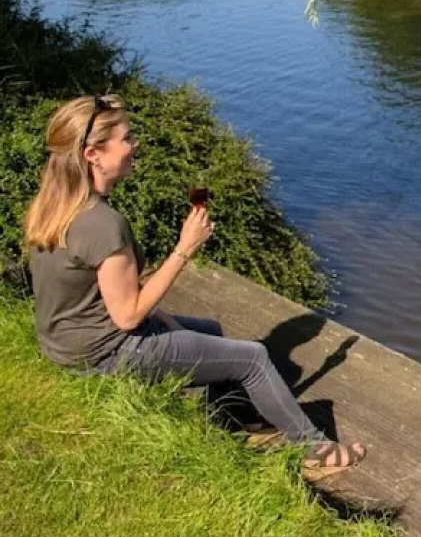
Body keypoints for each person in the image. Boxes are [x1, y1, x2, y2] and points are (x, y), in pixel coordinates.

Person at [24, 95, 365, 479]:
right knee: (253, 358)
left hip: (66, 345)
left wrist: (160, 315)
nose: (136, 145)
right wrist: (185, 248)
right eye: (127, 138)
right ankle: (315, 451)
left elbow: (94, 291)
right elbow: (127, 315)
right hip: (106, 354)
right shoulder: (102, 222)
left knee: (210, 331)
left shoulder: (54, 204)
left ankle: (236, 422)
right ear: (93, 154)